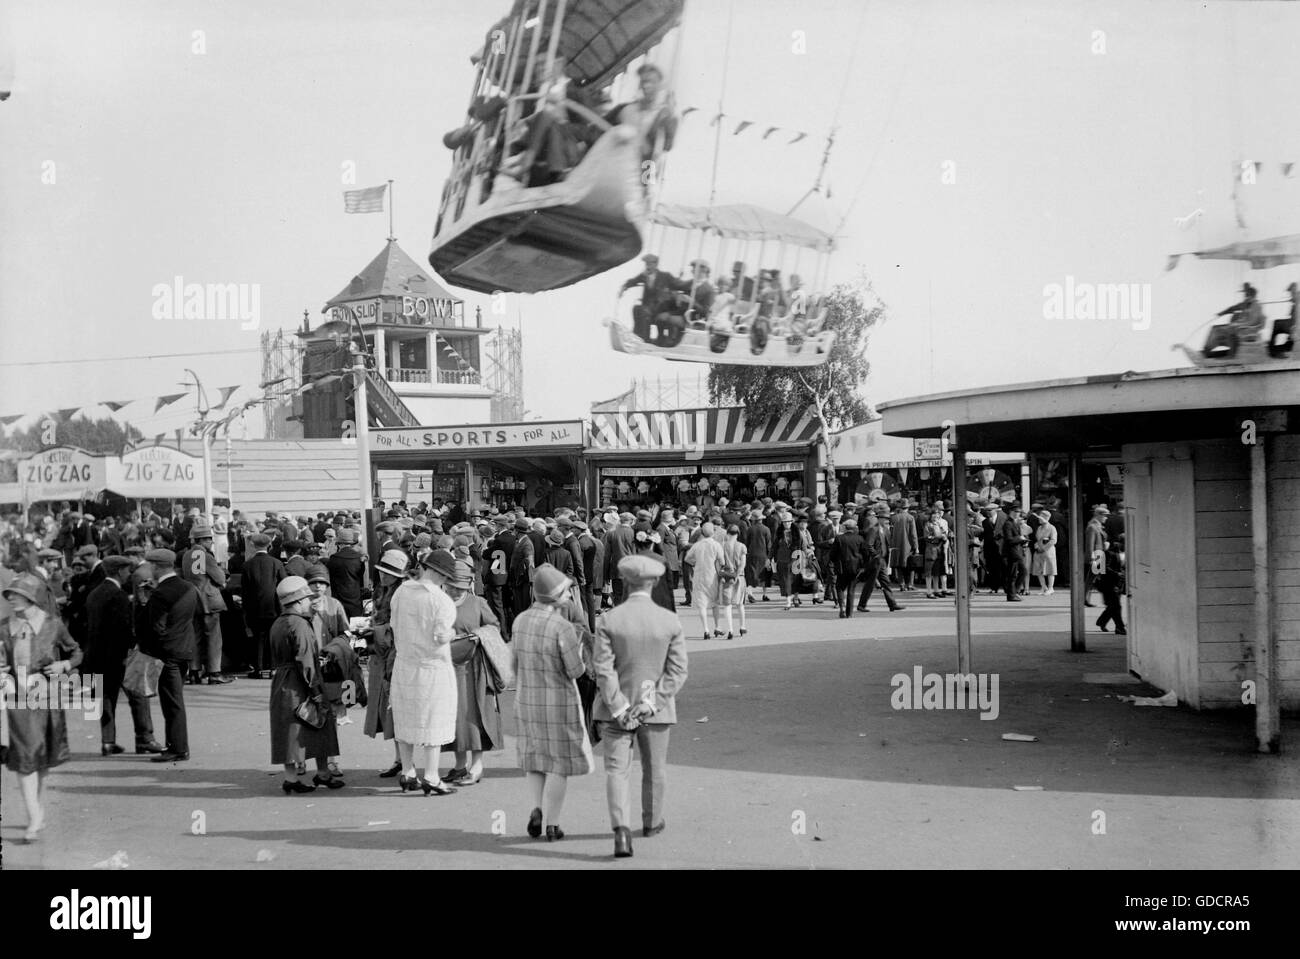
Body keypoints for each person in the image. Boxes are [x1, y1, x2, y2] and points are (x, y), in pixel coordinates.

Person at [592, 554, 688, 858]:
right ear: (656, 582)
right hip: (655, 709)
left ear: (625, 581)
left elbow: (602, 669)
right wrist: (650, 703)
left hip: (614, 709)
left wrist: (619, 706)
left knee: (617, 771)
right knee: (655, 768)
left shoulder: (608, 620)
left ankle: (621, 830)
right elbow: (677, 671)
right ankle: (651, 821)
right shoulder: (669, 620)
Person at [512, 563, 593, 841]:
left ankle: (535, 808)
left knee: (534, 760)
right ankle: (553, 824)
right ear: (555, 594)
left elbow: (514, 664)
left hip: (527, 699)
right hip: (558, 701)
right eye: (566, 591)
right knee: (559, 765)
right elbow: (576, 670)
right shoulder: (562, 626)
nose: (570, 596)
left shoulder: (519, 620)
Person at [1, 573, 83, 842]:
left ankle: (37, 812)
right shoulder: (3, 628)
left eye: (16, 594)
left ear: (31, 597)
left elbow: (75, 651)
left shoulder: (53, 625)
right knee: (26, 759)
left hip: (48, 698)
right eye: (10, 594)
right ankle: (34, 817)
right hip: (18, 701)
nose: (11, 598)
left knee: (43, 761)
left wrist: (64, 666)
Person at [389, 549, 459, 796]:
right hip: (432, 666)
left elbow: (394, 625)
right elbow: (441, 637)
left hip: (404, 662)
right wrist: (452, 635)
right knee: (434, 719)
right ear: (439, 573)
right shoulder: (441, 600)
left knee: (405, 717)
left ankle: (407, 772)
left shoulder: (401, 591)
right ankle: (431, 775)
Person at [268, 576, 341, 793]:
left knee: (288, 730)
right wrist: (317, 691)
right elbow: (306, 661)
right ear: (299, 601)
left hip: (281, 680)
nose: (311, 601)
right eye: (307, 598)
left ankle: (291, 778)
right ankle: (323, 773)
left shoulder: (278, 622)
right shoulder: (300, 624)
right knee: (321, 721)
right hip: (299, 682)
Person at [83, 556, 162, 756]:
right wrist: (131, 649)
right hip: (118, 657)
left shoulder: (94, 594)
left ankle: (108, 741)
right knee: (138, 695)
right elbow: (122, 629)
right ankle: (145, 738)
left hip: (95, 656)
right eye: (127, 571)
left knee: (106, 699)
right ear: (119, 571)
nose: (129, 574)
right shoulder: (117, 596)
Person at [439, 560, 503, 787]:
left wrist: (480, 635)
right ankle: (459, 765)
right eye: (451, 584)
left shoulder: (478, 603)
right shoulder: (439, 603)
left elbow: (495, 626)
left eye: (460, 585)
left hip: (474, 668)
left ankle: (476, 766)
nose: (455, 589)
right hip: (445, 668)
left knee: (474, 716)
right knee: (452, 718)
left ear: (468, 585)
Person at [142, 549, 202, 763]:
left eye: (150, 565)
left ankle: (177, 748)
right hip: (185, 649)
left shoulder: (160, 593)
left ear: (157, 567)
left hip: (167, 653)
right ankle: (176, 745)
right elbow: (196, 615)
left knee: (172, 702)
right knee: (174, 699)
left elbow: (156, 627)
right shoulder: (188, 587)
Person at [364, 549, 409, 778]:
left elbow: (397, 629)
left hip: (394, 656)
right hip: (381, 657)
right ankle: (399, 759)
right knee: (387, 710)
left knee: (395, 708)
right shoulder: (382, 591)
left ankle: (404, 760)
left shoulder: (401, 594)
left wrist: (373, 631)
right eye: (381, 572)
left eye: (387, 573)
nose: (382, 576)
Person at [182, 522, 230, 685]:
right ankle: (214, 672)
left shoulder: (186, 555)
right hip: (209, 601)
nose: (211, 542)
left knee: (196, 637)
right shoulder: (205, 556)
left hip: (193, 600)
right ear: (201, 540)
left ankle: (194, 671)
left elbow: (194, 577)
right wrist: (221, 574)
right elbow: (220, 578)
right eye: (209, 539)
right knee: (214, 638)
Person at [604, 62, 678, 164]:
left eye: (651, 81)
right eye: (643, 82)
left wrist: (671, 118)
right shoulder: (626, 109)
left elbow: (667, 145)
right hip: (618, 166)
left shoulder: (663, 115)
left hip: (644, 167)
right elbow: (602, 129)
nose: (646, 86)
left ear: (659, 84)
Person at [241, 532, 285, 677]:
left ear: (253, 545)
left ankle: (258, 669)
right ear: (269, 545)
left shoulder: (247, 565)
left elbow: (245, 590)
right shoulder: (276, 563)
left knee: (257, 639)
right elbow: (284, 584)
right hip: (273, 606)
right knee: (273, 637)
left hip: (254, 607)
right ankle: (273, 668)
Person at [619, 254, 681, 342]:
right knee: (636, 308)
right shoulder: (644, 276)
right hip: (649, 306)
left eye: (649, 264)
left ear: (656, 264)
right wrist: (624, 287)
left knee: (644, 311)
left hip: (661, 308)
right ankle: (637, 334)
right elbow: (633, 281)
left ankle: (645, 338)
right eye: (646, 264)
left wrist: (678, 293)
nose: (647, 266)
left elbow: (678, 284)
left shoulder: (665, 276)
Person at [684, 521, 725, 639]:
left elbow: (687, 558)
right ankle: (717, 627)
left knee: (702, 604)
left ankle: (706, 630)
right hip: (712, 575)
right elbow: (722, 561)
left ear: (702, 532)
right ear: (713, 532)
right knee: (715, 602)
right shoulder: (716, 545)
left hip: (699, 574)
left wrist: (695, 563)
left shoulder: (697, 545)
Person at [858, 513, 906, 613]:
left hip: (882, 560)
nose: (887, 521)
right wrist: (876, 555)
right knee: (870, 584)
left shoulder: (886, 530)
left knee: (886, 582)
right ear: (879, 519)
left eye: (887, 519)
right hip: (876, 560)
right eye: (885, 519)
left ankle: (892, 604)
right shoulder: (873, 530)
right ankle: (861, 605)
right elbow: (868, 545)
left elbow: (888, 543)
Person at [325, 527, 366, 619]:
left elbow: (331, 577)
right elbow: (360, 575)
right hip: (355, 596)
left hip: (339, 597)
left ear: (339, 544)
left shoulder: (334, 558)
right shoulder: (359, 558)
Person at [717, 524, 748, 639]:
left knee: (727, 605)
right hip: (739, 577)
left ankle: (730, 629)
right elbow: (743, 564)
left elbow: (719, 563)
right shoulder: (742, 546)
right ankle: (742, 626)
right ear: (738, 533)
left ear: (727, 533)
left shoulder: (722, 546)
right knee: (740, 604)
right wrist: (736, 574)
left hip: (726, 577)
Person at [832, 519, 867, 618]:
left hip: (842, 567)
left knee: (839, 587)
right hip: (855, 568)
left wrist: (834, 561)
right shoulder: (860, 539)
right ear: (854, 528)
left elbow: (833, 554)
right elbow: (866, 553)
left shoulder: (839, 538)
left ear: (845, 527)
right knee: (851, 590)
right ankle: (849, 613)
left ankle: (842, 607)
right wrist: (863, 566)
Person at [1096, 536, 1127, 635]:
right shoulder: (1109, 553)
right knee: (1116, 606)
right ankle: (1120, 628)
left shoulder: (1125, 553)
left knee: (1113, 606)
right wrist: (1117, 574)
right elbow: (1103, 568)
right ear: (1121, 543)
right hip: (1109, 583)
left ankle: (1102, 621)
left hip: (1119, 584)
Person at [1000, 505, 1028, 603]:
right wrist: (1020, 538)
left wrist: (1023, 541)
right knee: (1015, 573)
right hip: (1012, 552)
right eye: (1016, 511)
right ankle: (1012, 593)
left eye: (1019, 512)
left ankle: (1013, 593)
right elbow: (1009, 540)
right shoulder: (1008, 523)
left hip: (1016, 551)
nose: (1018, 514)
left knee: (1017, 573)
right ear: (1011, 512)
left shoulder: (1014, 523)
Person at [1031, 509, 1058, 595]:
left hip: (1048, 551)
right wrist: (1036, 545)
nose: (1039, 519)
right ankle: (1044, 587)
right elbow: (1038, 539)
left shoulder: (1051, 528)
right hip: (1038, 551)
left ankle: (1051, 588)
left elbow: (1053, 540)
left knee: (1050, 570)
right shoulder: (1039, 527)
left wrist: (1043, 548)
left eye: (1040, 518)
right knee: (1038, 570)